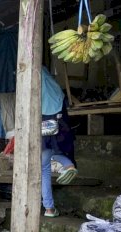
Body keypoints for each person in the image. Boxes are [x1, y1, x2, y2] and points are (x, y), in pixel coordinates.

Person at [41, 67, 77, 217]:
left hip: (40, 123)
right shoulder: (54, 87)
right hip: (58, 121)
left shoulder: (33, 86)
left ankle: (49, 208)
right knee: (58, 150)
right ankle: (68, 165)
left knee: (44, 168)